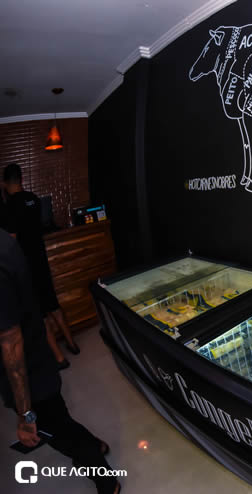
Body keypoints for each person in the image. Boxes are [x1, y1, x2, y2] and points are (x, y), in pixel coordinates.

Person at [0, 228, 121, 493]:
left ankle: (107, 482)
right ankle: (96, 445)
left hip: (27, 370)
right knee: (60, 420)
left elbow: (11, 342)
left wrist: (25, 414)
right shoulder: (6, 239)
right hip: (35, 355)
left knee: (54, 430)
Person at [3, 163, 79, 369]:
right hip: (41, 261)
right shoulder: (34, 199)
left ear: (5, 183)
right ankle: (72, 344)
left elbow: (11, 240)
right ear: (21, 179)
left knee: (40, 314)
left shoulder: (9, 207)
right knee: (53, 304)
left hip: (26, 268)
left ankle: (59, 359)